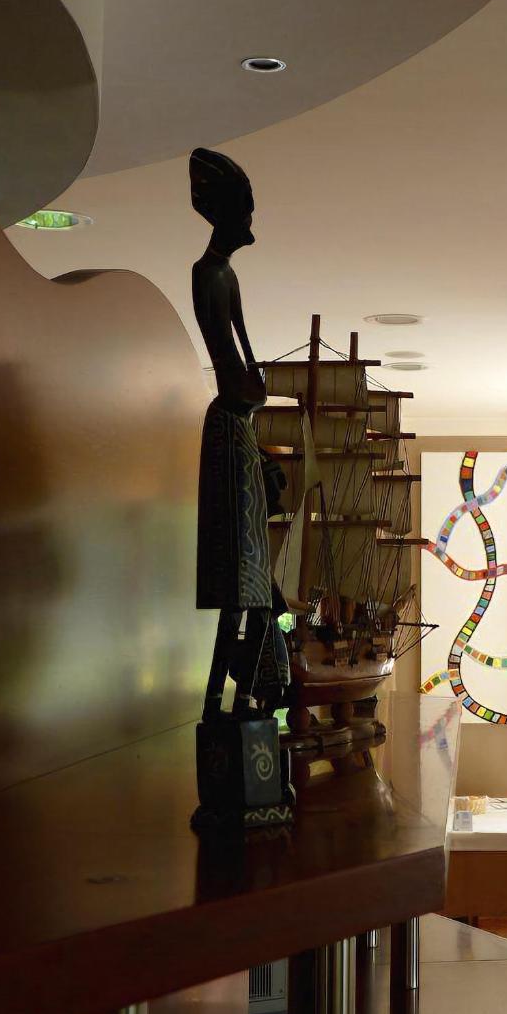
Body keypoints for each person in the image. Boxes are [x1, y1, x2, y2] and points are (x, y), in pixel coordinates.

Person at [190, 146, 289, 720]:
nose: (248, 228)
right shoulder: (207, 273)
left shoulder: (223, 274)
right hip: (231, 423)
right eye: (243, 216)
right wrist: (250, 388)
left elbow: (244, 349)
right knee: (239, 580)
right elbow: (226, 353)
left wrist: (254, 386)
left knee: (255, 584)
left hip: (240, 421)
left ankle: (245, 690)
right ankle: (225, 697)